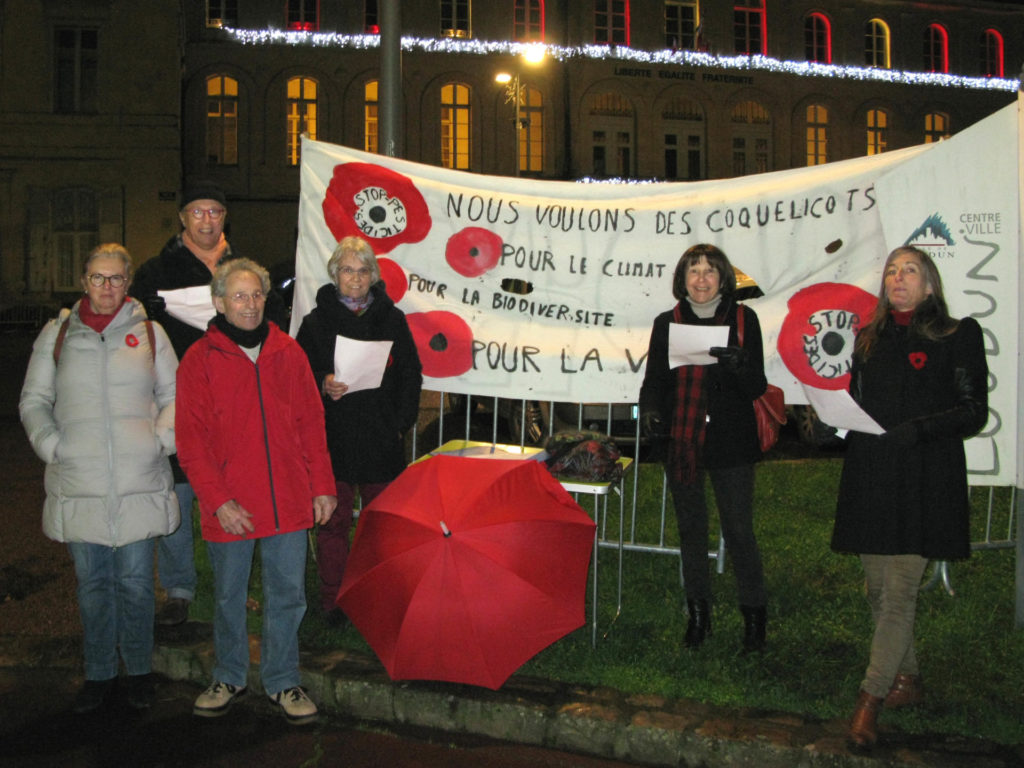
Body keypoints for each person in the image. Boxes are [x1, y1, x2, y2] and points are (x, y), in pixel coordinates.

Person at [831, 246, 988, 750]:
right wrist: (829, 419)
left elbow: (973, 412)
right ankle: (909, 680)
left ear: (929, 284)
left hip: (925, 476)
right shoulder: (867, 338)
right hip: (871, 476)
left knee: (899, 593)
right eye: (892, 271)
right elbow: (857, 402)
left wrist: (917, 431)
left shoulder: (958, 334)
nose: (898, 278)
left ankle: (868, 701)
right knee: (878, 591)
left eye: (910, 270)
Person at [176, 258, 337, 725]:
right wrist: (218, 500)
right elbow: (191, 441)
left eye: (256, 295)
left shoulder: (288, 352)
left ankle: (283, 680)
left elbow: (311, 424)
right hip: (231, 504)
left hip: (287, 499)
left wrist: (322, 485)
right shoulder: (199, 360)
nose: (249, 305)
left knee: (287, 594)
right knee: (228, 595)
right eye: (239, 296)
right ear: (220, 301)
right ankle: (228, 675)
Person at [19, 243, 179, 713]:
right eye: (97, 278)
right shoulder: (59, 333)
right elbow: (33, 401)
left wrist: (159, 441)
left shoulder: (151, 333)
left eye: (115, 278)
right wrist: (53, 447)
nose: (106, 287)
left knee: (134, 583)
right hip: (79, 480)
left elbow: (177, 395)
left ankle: (139, 671)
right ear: (84, 281)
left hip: (138, 478)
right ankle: (98, 673)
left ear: (128, 283)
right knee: (92, 585)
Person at [132, 181, 288, 626]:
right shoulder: (156, 271)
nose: (206, 220)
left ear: (225, 218)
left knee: (233, 487)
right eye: (197, 212)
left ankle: (232, 587)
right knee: (179, 488)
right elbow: (139, 327)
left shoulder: (245, 269)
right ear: (182, 218)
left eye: (214, 212)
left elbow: (273, 318)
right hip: (177, 393)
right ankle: (179, 588)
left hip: (237, 396)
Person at [638, 243, 769, 653]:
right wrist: (652, 412)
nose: (701, 279)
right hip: (683, 440)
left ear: (723, 279)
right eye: (693, 271)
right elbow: (655, 380)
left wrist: (739, 365)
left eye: (710, 271)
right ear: (682, 279)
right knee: (691, 531)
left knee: (739, 531)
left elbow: (758, 386)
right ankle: (698, 617)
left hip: (731, 441)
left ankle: (754, 620)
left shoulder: (745, 319)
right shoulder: (667, 322)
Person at [296, 236, 423, 624]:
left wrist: (399, 424)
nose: (355, 278)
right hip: (330, 439)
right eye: (347, 270)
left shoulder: (393, 319)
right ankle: (333, 602)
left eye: (363, 270)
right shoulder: (315, 322)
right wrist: (322, 381)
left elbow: (410, 375)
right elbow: (296, 377)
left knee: (379, 525)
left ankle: (373, 596)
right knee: (332, 524)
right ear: (335, 274)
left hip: (380, 439)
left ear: (373, 276)